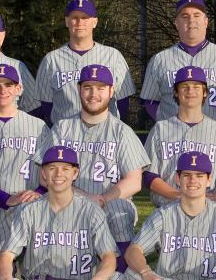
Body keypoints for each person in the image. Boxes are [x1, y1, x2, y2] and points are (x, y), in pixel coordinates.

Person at [34, 64, 149, 272]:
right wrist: (86, 198)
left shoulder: (122, 131)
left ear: (111, 91)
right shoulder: (62, 127)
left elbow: (134, 181)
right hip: (67, 201)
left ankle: (119, 275)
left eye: (100, 88)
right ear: (79, 90)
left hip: (110, 204)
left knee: (119, 210)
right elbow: (44, 178)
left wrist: (104, 199)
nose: (93, 93)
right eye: (88, 87)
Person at [125, 152, 216, 280]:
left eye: (199, 175)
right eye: (187, 175)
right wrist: (146, 272)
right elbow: (133, 250)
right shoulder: (163, 214)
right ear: (177, 178)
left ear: (209, 180)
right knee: (132, 273)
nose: (193, 180)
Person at [0, 146, 119, 280]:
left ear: (75, 173)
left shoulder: (92, 211)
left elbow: (108, 256)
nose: (58, 174)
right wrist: (6, 277)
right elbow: (7, 254)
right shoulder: (28, 210)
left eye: (65, 168)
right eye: (52, 168)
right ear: (43, 173)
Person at [0, 63, 49, 267]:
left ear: (19, 88)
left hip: (35, 207)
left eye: (9, 84)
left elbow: (51, 170)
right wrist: (6, 199)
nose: (3, 90)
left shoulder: (38, 126)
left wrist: (40, 191)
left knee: (40, 269)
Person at [142, 66, 216, 207]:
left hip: (208, 209)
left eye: (196, 86)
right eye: (184, 86)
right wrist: (177, 196)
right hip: (167, 207)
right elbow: (149, 176)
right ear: (176, 93)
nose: (190, 91)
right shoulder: (160, 128)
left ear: (205, 93)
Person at [140, 0, 216, 124]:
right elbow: (149, 100)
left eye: (197, 15)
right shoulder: (159, 60)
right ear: (176, 23)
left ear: (206, 22)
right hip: (174, 137)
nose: (191, 20)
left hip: (215, 136)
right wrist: (166, 124)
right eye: (185, 16)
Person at [36, 0, 136, 123]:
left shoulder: (113, 56)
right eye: (74, 18)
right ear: (67, 21)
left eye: (84, 18)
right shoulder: (51, 60)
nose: (79, 22)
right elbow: (45, 104)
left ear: (94, 22)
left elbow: (123, 100)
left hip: (104, 133)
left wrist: (114, 127)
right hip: (65, 134)